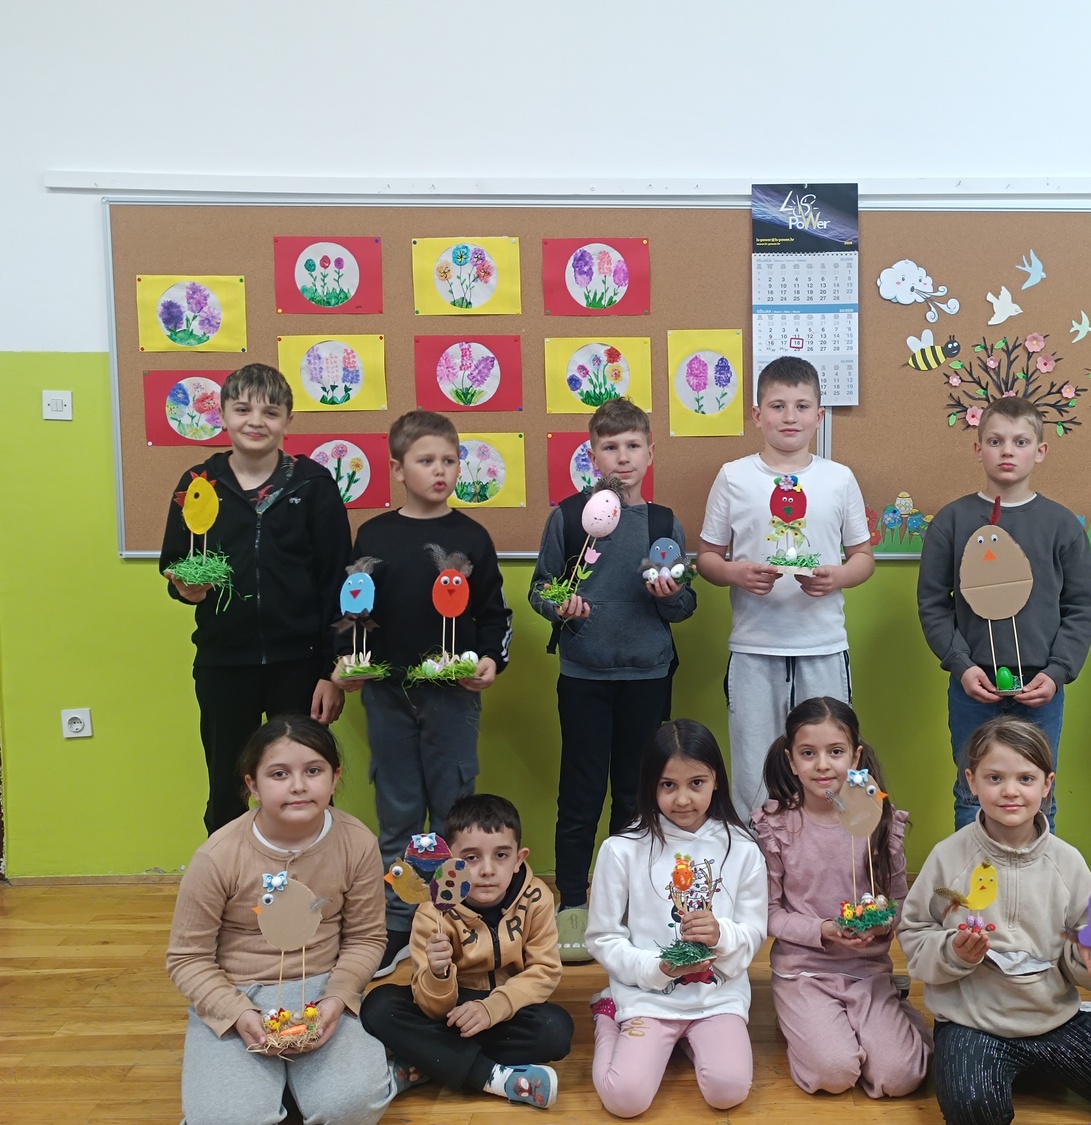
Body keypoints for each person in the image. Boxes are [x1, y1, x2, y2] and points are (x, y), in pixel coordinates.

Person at [900, 716, 1091, 1125]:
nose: (1010, 791)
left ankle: (1088, 1028)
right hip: (973, 1025)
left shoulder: (1067, 862)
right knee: (975, 1113)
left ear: (1047, 784)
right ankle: (1024, 1066)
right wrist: (954, 952)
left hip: (1053, 1019)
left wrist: (1089, 956)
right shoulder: (948, 857)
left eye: (1025, 778)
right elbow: (914, 934)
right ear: (971, 782)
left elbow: (1081, 949)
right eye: (995, 778)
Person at [333, 410, 513, 977]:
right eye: (426, 460)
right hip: (388, 697)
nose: (440, 471)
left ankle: (456, 918)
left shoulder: (472, 537)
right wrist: (347, 661)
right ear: (397, 469)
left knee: (454, 812)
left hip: (452, 698)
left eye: (450, 460)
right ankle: (398, 923)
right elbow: (354, 608)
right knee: (400, 813)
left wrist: (491, 660)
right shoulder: (375, 536)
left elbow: (494, 615)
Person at [529, 398, 696, 960]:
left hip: (648, 674)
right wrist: (560, 606)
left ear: (650, 452)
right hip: (584, 674)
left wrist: (669, 596)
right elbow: (540, 589)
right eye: (610, 447)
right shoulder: (569, 516)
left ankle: (629, 899)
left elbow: (684, 606)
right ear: (593, 454)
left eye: (632, 446)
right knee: (580, 790)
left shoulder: (664, 523)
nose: (622, 457)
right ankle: (574, 900)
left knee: (637, 791)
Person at [166, 716, 394, 1125]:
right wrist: (236, 1012)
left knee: (353, 1105)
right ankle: (275, 1092)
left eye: (313, 771)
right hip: (239, 994)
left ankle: (291, 1090)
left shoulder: (358, 842)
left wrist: (338, 996)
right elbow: (187, 957)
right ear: (252, 785)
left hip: (322, 990)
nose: (298, 786)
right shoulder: (218, 856)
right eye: (278, 774)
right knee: (228, 1119)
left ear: (335, 777)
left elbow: (366, 937)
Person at [159, 363, 350, 835]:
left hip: (300, 664)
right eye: (243, 409)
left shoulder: (313, 483)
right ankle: (230, 879)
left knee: (304, 788)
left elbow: (338, 582)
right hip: (224, 662)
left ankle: (309, 877)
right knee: (227, 788)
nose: (255, 421)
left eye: (270, 411)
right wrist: (184, 589)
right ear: (223, 414)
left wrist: (332, 671)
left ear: (287, 420)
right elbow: (177, 565)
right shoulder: (198, 482)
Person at [697, 355, 874, 818]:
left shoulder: (839, 479)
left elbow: (863, 558)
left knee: (828, 760)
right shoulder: (733, 476)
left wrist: (838, 576)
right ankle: (759, 854)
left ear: (820, 415)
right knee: (755, 764)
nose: (789, 416)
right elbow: (708, 558)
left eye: (801, 406)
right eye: (777, 406)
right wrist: (736, 573)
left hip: (823, 646)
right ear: (758, 415)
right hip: (755, 647)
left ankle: (826, 850)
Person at [917, 398, 1091, 830]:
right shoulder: (952, 521)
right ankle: (976, 876)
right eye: (995, 441)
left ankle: (1035, 875)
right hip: (973, 684)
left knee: (1037, 793)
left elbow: (1081, 606)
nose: (1007, 451)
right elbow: (933, 603)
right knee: (973, 792)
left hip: (1040, 687)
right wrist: (961, 665)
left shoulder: (1061, 525)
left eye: (1020, 442)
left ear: (1040, 450)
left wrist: (1057, 672)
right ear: (978, 448)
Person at [584, 720, 768, 1118]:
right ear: (650, 784)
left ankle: (686, 1040)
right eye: (668, 785)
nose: (683, 799)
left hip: (717, 998)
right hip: (646, 997)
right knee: (625, 1099)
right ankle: (607, 1015)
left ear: (716, 780)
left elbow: (755, 930)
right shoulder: (621, 850)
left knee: (728, 1090)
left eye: (696, 783)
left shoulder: (743, 849)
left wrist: (721, 934)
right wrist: (656, 968)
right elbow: (602, 937)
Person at [752, 697, 931, 1097]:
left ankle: (892, 1015)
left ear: (856, 757)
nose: (822, 765)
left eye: (836, 752)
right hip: (803, 972)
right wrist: (823, 930)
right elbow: (768, 913)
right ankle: (807, 1023)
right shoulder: (777, 826)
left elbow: (899, 901)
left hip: (867, 970)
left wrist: (883, 922)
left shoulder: (880, 822)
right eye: (808, 753)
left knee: (899, 1077)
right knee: (833, 1073)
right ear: (791, 760)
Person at [362, 794, 573, 1109]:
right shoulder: (432, 911)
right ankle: (492, 1076)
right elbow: (432, 1007)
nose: (487, 870)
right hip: (449, 1011)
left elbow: (544, 971)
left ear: (519, 859)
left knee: (555, 1030)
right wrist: (438, 973)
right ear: (450, 863)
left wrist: (492, 1008)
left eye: (501, 855)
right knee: (378, 1007)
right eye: (471, 857)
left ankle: (430, 1061)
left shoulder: (537, 898)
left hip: (505, 1008)